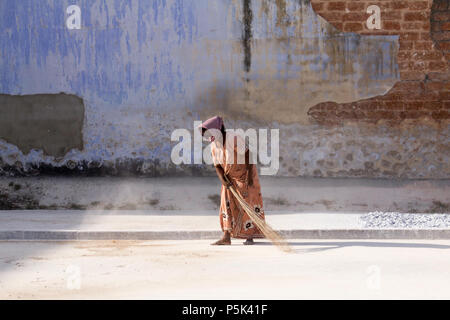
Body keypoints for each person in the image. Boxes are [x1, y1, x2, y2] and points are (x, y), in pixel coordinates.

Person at [199, 116, 265, 245]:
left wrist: (249, 177)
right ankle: (226, 236)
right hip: (229, 177)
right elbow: (217, 165)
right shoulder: (214, 145)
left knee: (247, 204)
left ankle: (249, 235)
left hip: (244, 174)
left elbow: (248, 155)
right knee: (226, 204)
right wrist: (222, 179)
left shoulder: (233, 138)